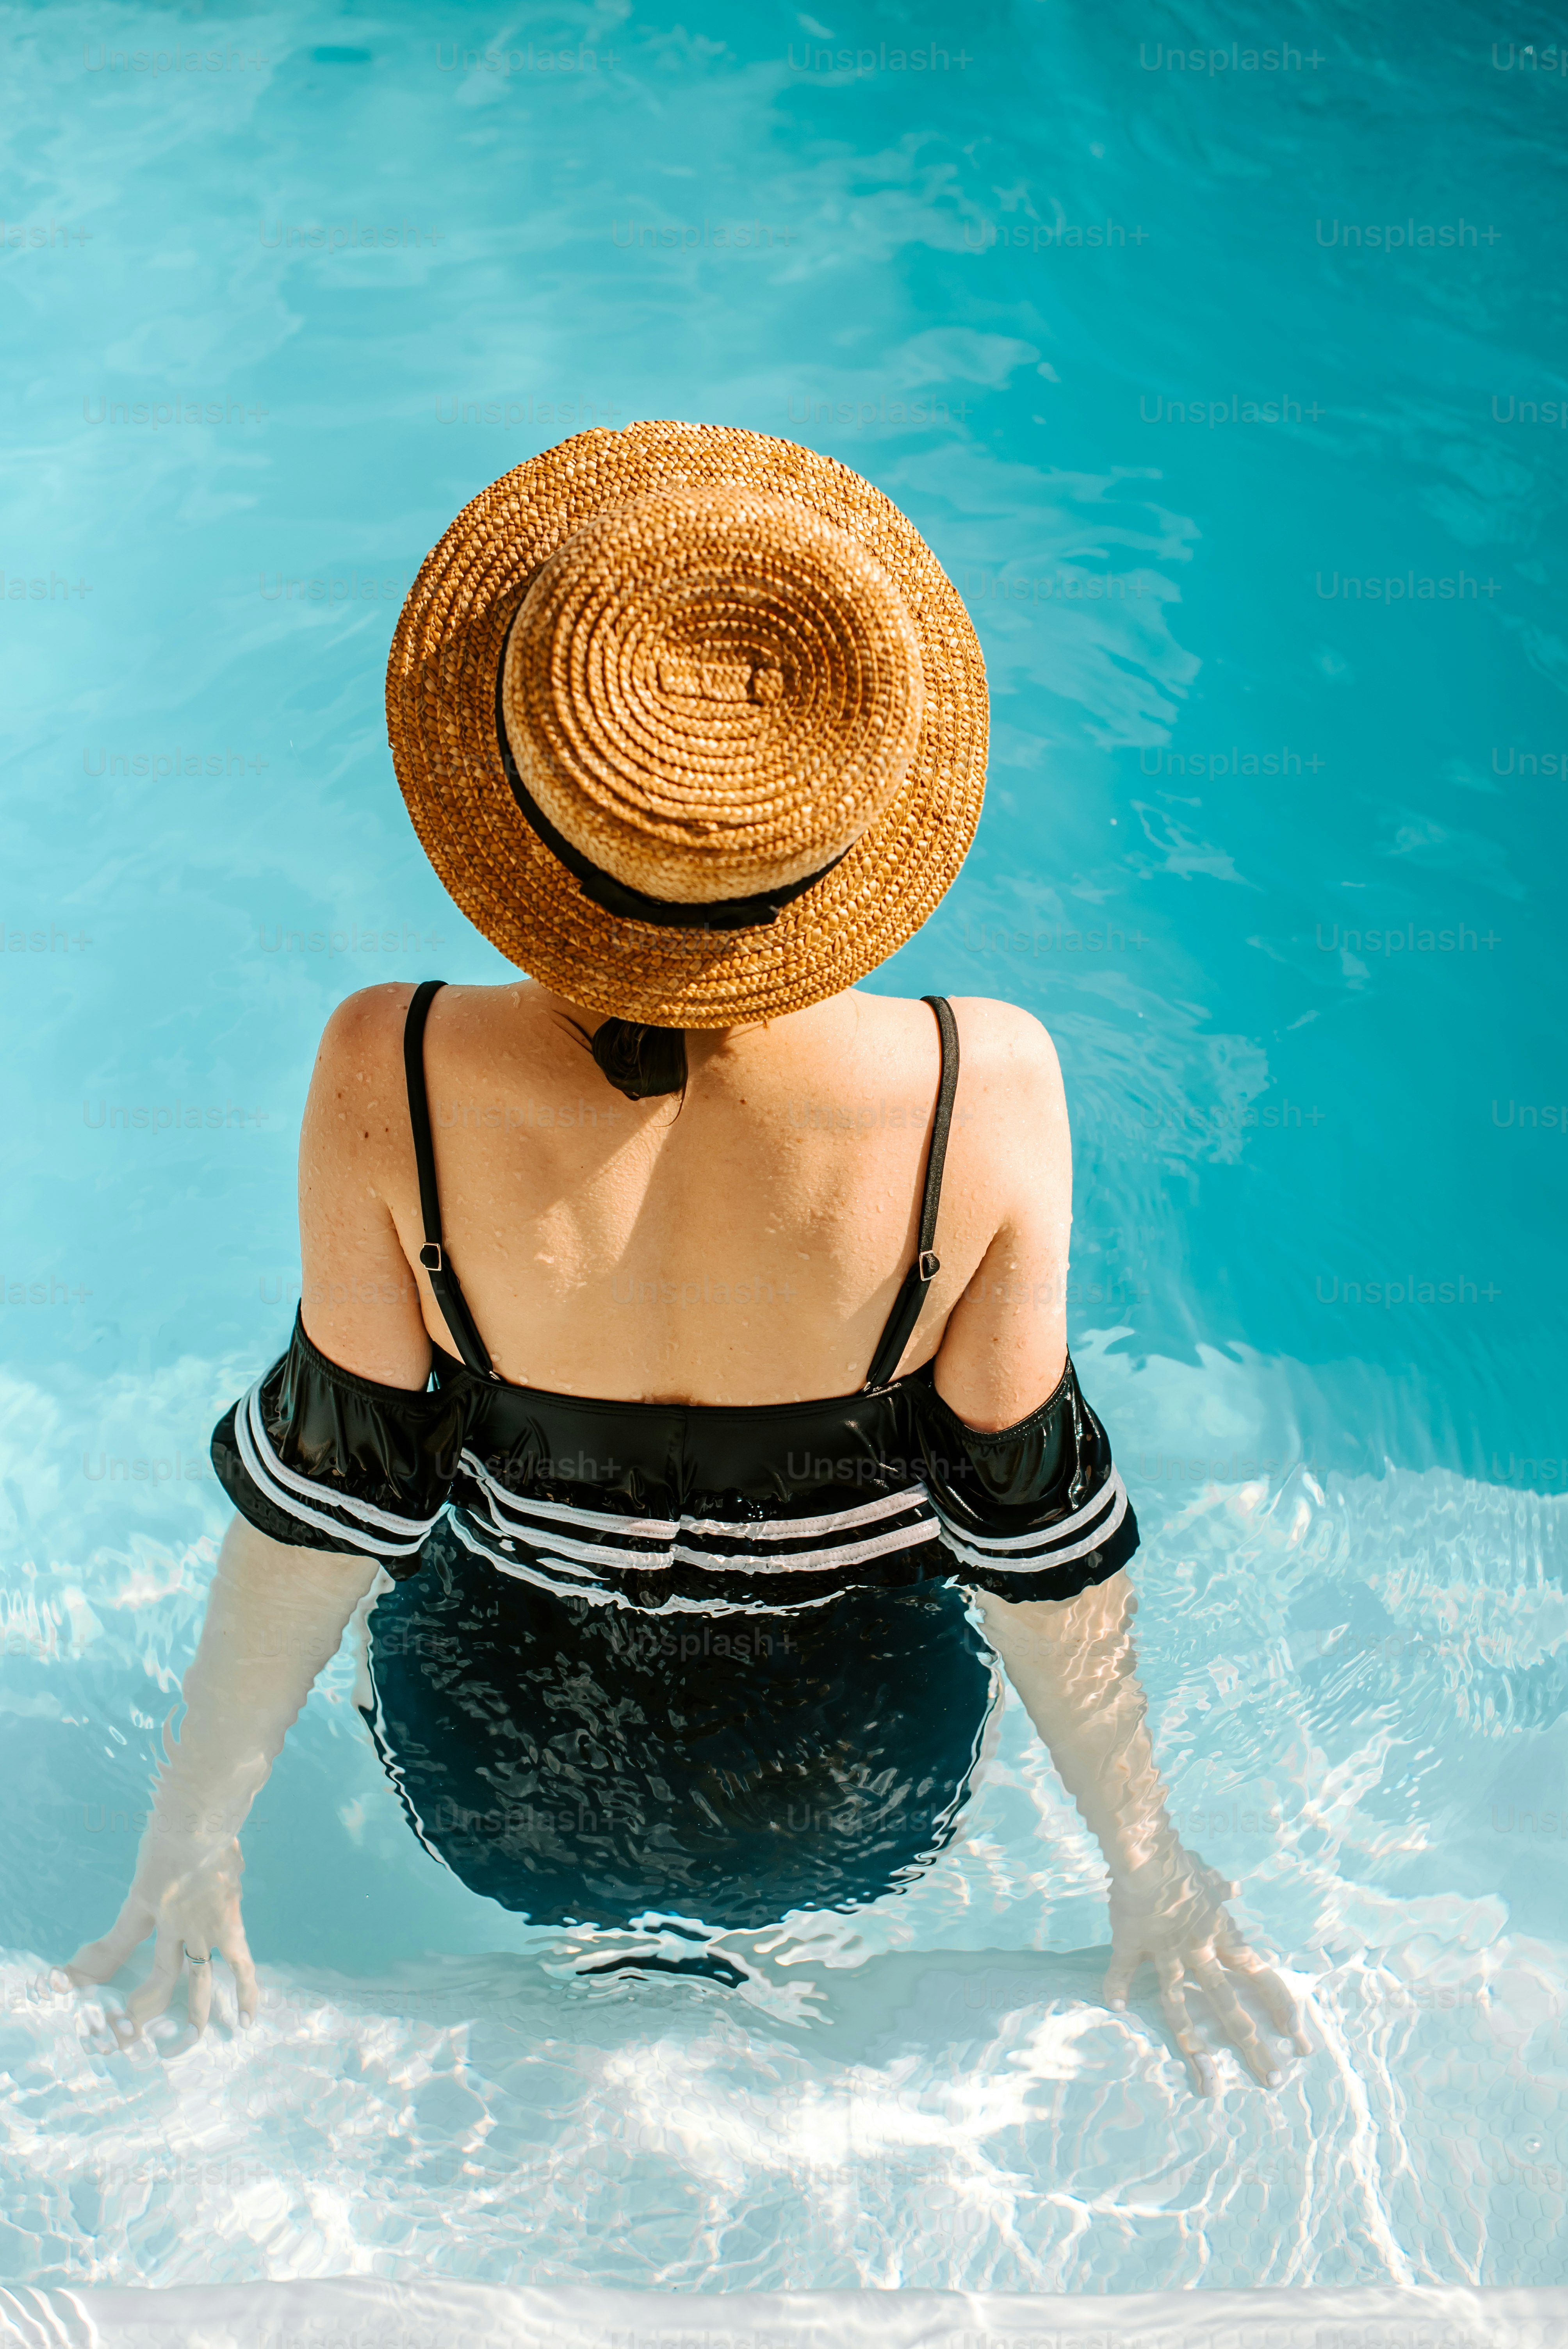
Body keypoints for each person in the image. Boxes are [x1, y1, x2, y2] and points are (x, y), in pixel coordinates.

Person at [65, 423, 1306, 2095]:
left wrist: (190, 1848)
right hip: (854, 1800)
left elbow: (320, 1507)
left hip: (497, 1796)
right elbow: (1031, 1540)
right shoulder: (975, 1090)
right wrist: (1146, 1866)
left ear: (520, 810)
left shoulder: (397, 1069)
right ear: (848, 835)